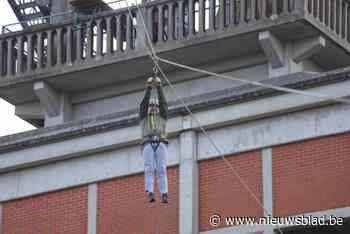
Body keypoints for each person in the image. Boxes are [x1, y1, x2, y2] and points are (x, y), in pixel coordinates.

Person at [139, 76, 169, 203]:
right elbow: (143, 105)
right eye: (151, 106)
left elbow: (163, 104)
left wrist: (159, 88)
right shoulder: (144, 119)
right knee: (149, 168)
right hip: (148, 142)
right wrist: (149, 88)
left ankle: (164, 193)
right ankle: (150, 191)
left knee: (161, 168)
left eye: (154, 106)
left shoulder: (161, 118)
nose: (153, 107)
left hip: (161, 142)